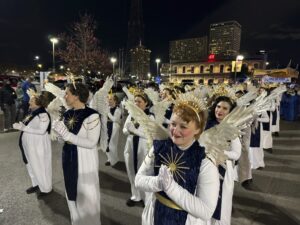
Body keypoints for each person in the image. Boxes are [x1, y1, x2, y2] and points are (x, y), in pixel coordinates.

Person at [135, 97, 220, 225]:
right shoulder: (159, 148)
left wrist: (171, 188)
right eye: (173, 124)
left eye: (183, 126)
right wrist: (158, 182)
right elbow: (138, 180)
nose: (175, 131)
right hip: (154, 213)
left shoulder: (204, 163)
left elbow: (206, 210)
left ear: (198, 130)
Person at [52, 83, 101, 225]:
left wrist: (67, 135)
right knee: (71, 190)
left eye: (67, 93)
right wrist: (60, 135)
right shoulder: (67, 114)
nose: (64, 96)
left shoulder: (92, 115)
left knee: (86, 193)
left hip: (85, 159)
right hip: (68, 156)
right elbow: (64, 140)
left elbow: (92, 142)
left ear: (77, 96)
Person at [205, 96, 241, 225]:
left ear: (230, 112)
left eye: (225, 108)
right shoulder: (207, 125)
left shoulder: (232, 128)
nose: (219, 110)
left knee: (222, 203)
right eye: (218, 106)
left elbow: (237, 154)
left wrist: (219, 151)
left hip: (224, 169)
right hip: (206, 168)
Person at [13, 92, 52, 198]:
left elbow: (42, 130)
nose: (29, 101)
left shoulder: (43, 114)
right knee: (31, 165)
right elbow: (28, 125)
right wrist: (22, 125)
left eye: (32, 100)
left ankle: (46, 188)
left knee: (41, 166)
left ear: (38, 102)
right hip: (30, 145)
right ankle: (36, 184)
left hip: (38, 145)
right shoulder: (32, 112)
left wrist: (23, 128)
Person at [123, 93, 154, 207]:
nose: (136, 103)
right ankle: (136, 196)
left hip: (143, 147)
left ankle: (146, 199)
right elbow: (125, 129)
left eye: (139, 101)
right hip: (130, 145)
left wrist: (134, 131)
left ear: (146, 103)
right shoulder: (131, 114)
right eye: (135, 101)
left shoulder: (150, 117)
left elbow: (150, 135)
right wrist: (127, 131)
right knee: (131, 170)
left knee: (143, 172)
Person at [105, 94, 122, 166]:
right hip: (107, 127)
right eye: (108, 99)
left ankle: (114, 160)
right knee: (107, 145)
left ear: (115, 101)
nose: (109, 100)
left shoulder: (118, 110)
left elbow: (115, 119)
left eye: (111, 99)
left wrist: (108, 113)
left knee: (112, 144)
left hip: (114, 128)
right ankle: (109, 159)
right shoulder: (108, 108)